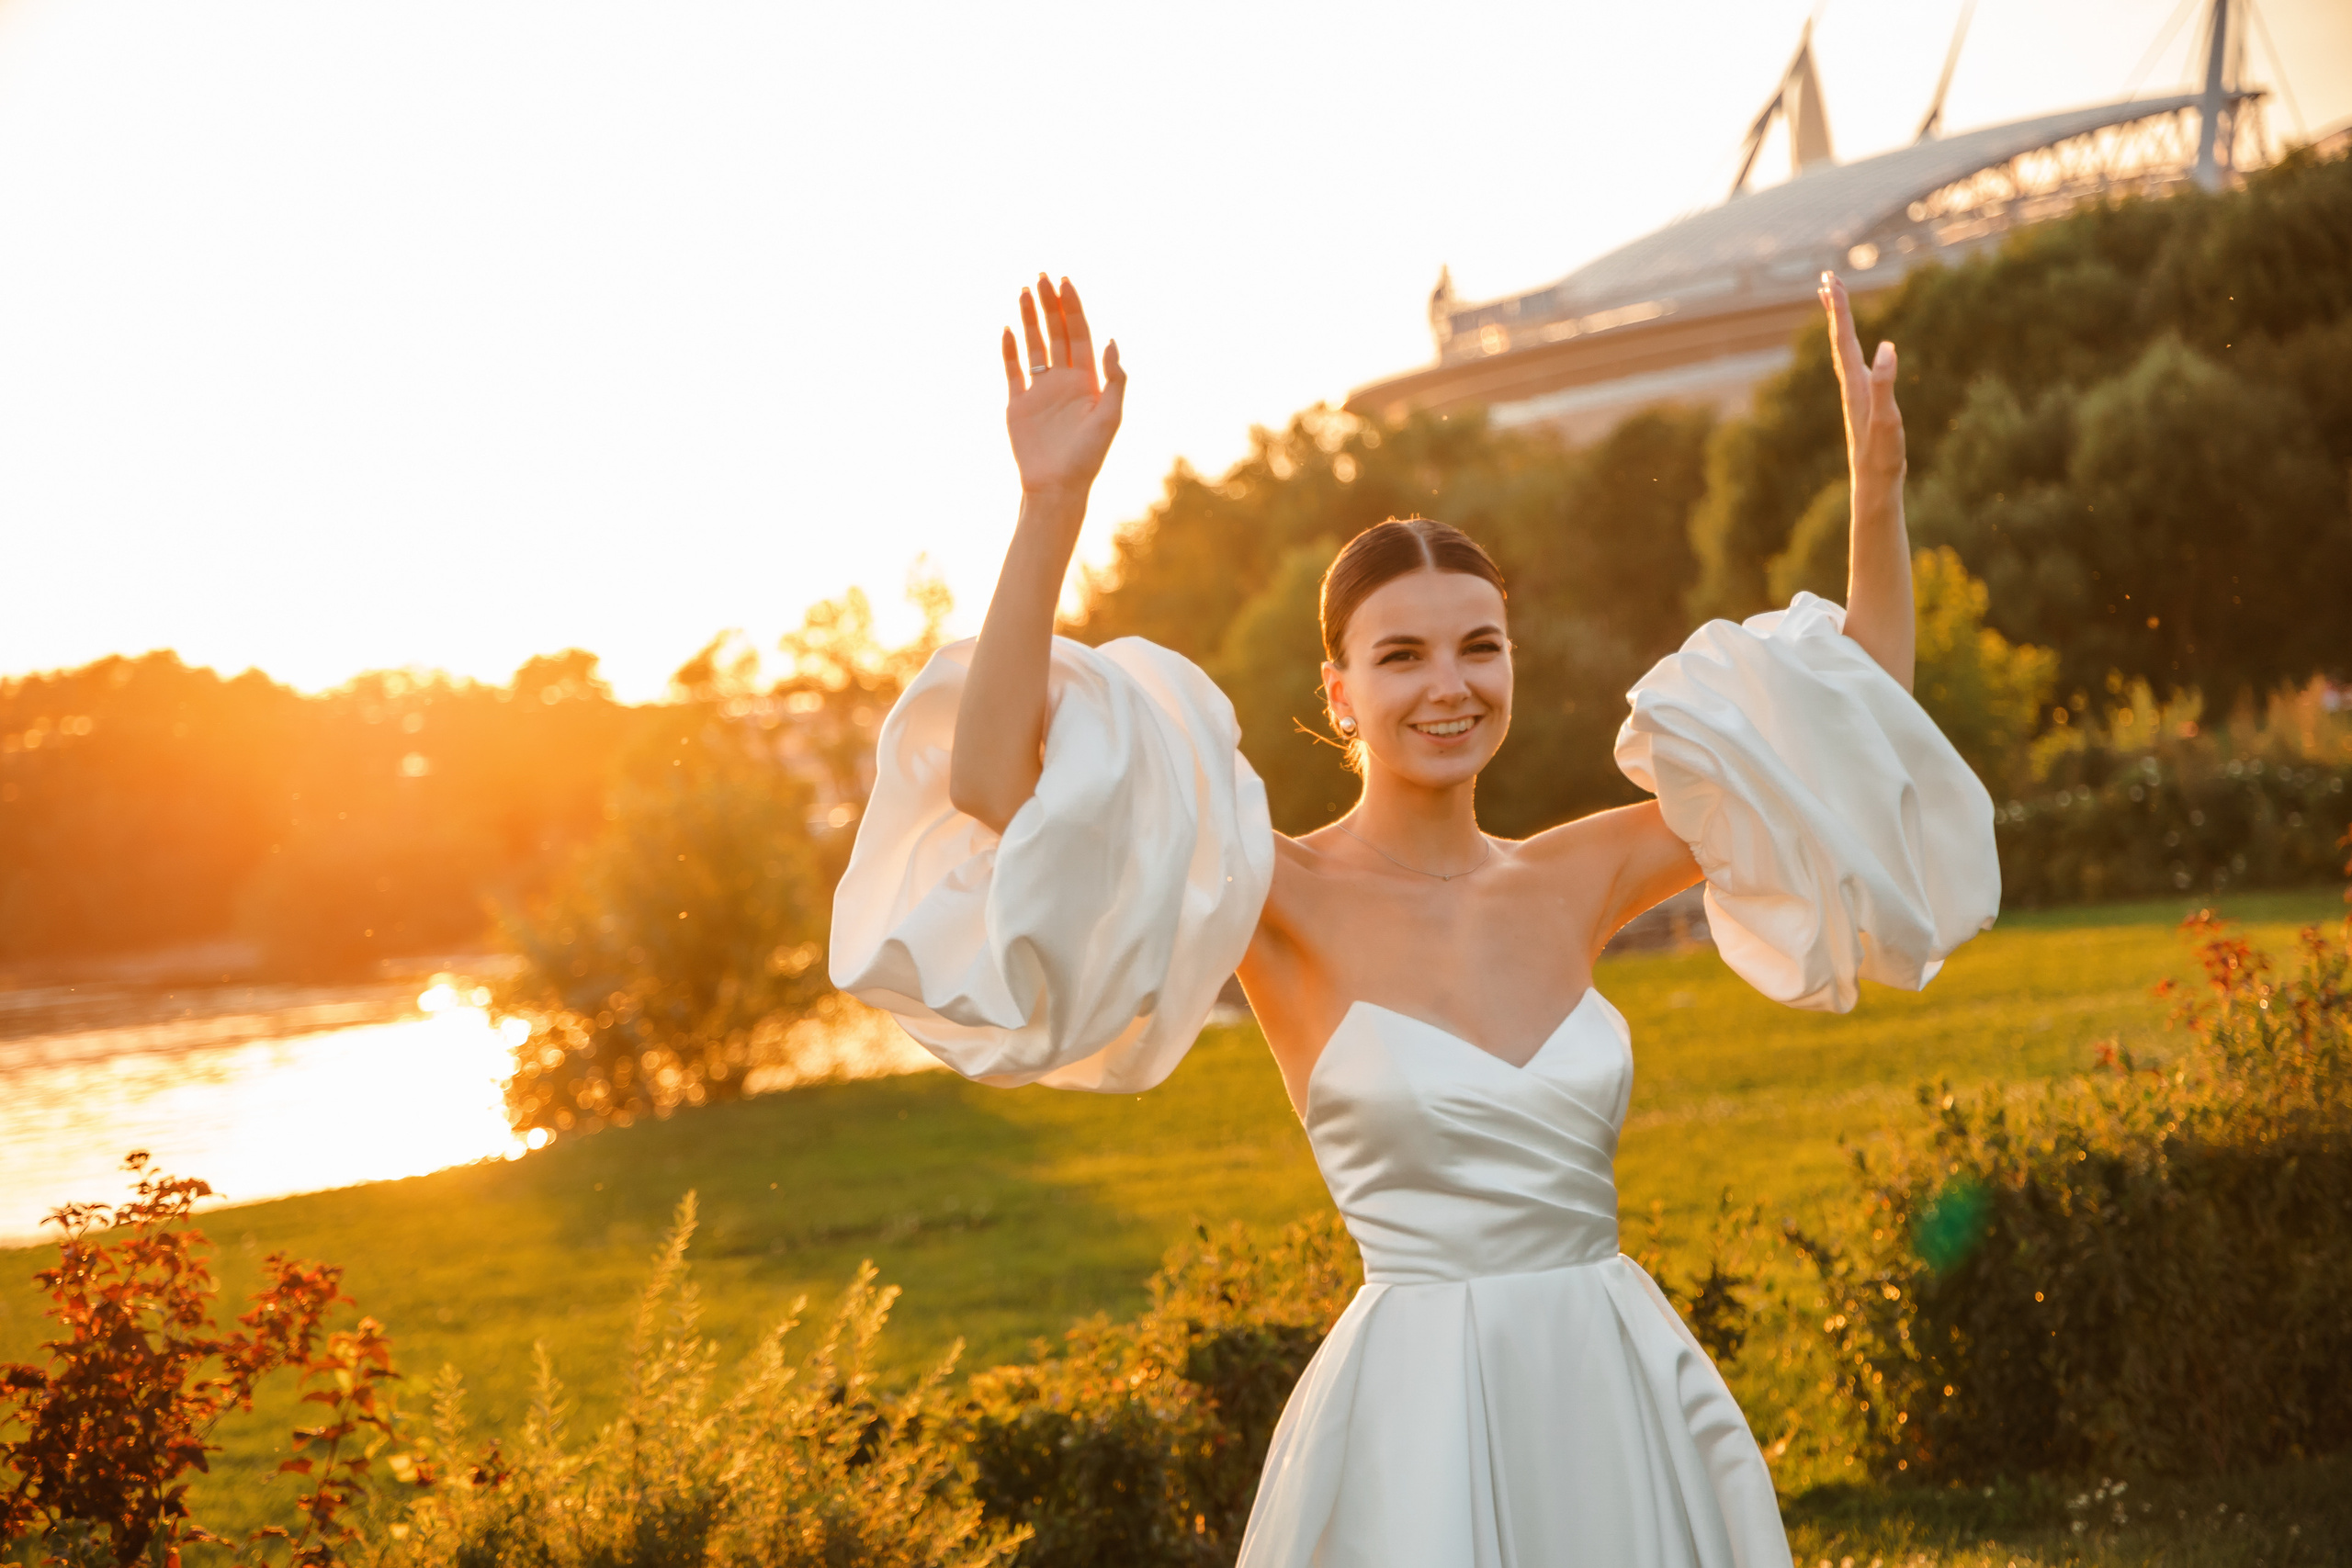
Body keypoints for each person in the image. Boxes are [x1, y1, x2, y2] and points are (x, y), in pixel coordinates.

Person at [831, 271, 1999, 1567]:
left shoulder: (1578, 875)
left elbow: (1855, 746)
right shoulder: (1275, 891)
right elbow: (995, 788)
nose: (1449, 686)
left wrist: (1878, 492)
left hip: (1612, 1394)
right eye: (1402, 657)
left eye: (1478, 647)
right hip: (1414, 1431)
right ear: (1338, 693)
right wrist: (1050, 508)